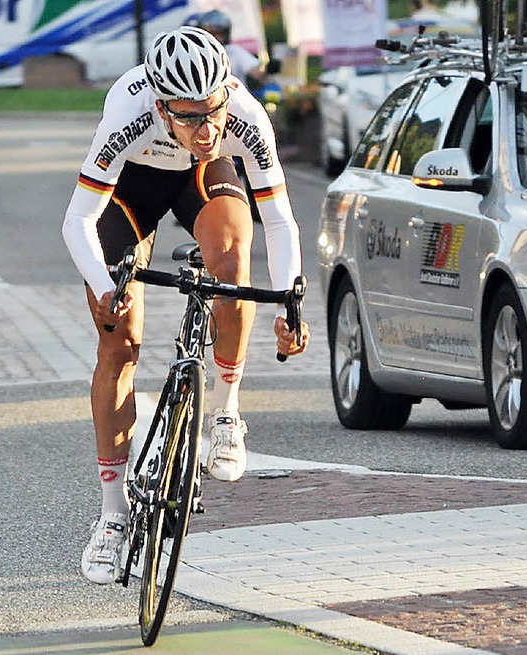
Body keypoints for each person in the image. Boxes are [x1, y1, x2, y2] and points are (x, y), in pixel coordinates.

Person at [62, 26, 310, 585]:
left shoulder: (242, 117)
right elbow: (76, 220)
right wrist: (105, 287)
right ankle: (112, 515)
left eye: (213, 111)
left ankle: (226, 411)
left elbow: (279, 219)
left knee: (232, 265)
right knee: (118, 343)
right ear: (159, 106)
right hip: (132, 188)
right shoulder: (127, 113)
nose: (206, 127)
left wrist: (291, 302)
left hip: (204, 181)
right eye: (189, 116)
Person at [190, 10, 267, 87]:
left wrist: (269, 68)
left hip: (232, 96)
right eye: (210, 34)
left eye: (219, 34)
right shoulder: (193, 55)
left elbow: (257, 72)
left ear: (226, 34)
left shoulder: (234, 52)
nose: (214, 38)